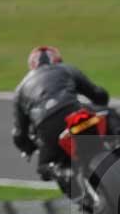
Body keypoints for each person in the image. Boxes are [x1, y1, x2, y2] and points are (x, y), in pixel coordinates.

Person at [11, 46, 111, 181]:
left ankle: (62, 173)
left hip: (48, 127)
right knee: (108, 117)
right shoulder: (65, 68)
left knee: (45, 167)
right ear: (57, 59)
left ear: (32, 65)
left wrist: (28, 147)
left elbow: (19, 133)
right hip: (75, 113)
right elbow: (96, 93)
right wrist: (102, 100)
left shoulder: (20, 90)